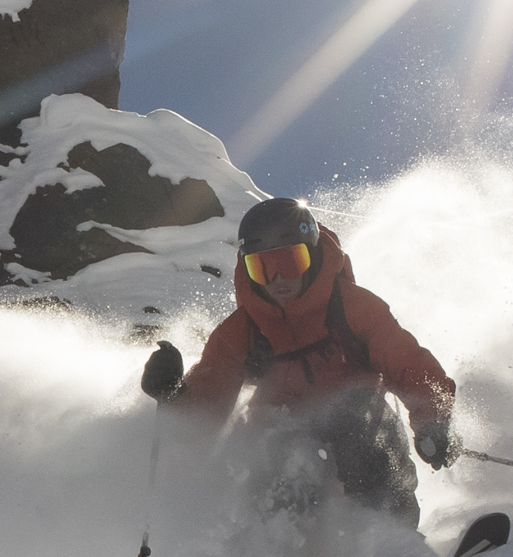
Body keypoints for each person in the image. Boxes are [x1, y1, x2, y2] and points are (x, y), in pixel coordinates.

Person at [139, 197, 458, 523]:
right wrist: (173, 394)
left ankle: (391, 540)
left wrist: (433, 422)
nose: (278, 279)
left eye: (290, 262)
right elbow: (207, 404)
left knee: (358, 427)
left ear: (313, 254)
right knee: (280, 453)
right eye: (262, 268)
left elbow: (407, 363)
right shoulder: (243, 330)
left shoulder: (351, 307)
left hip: (361, 423)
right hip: (284, 426)